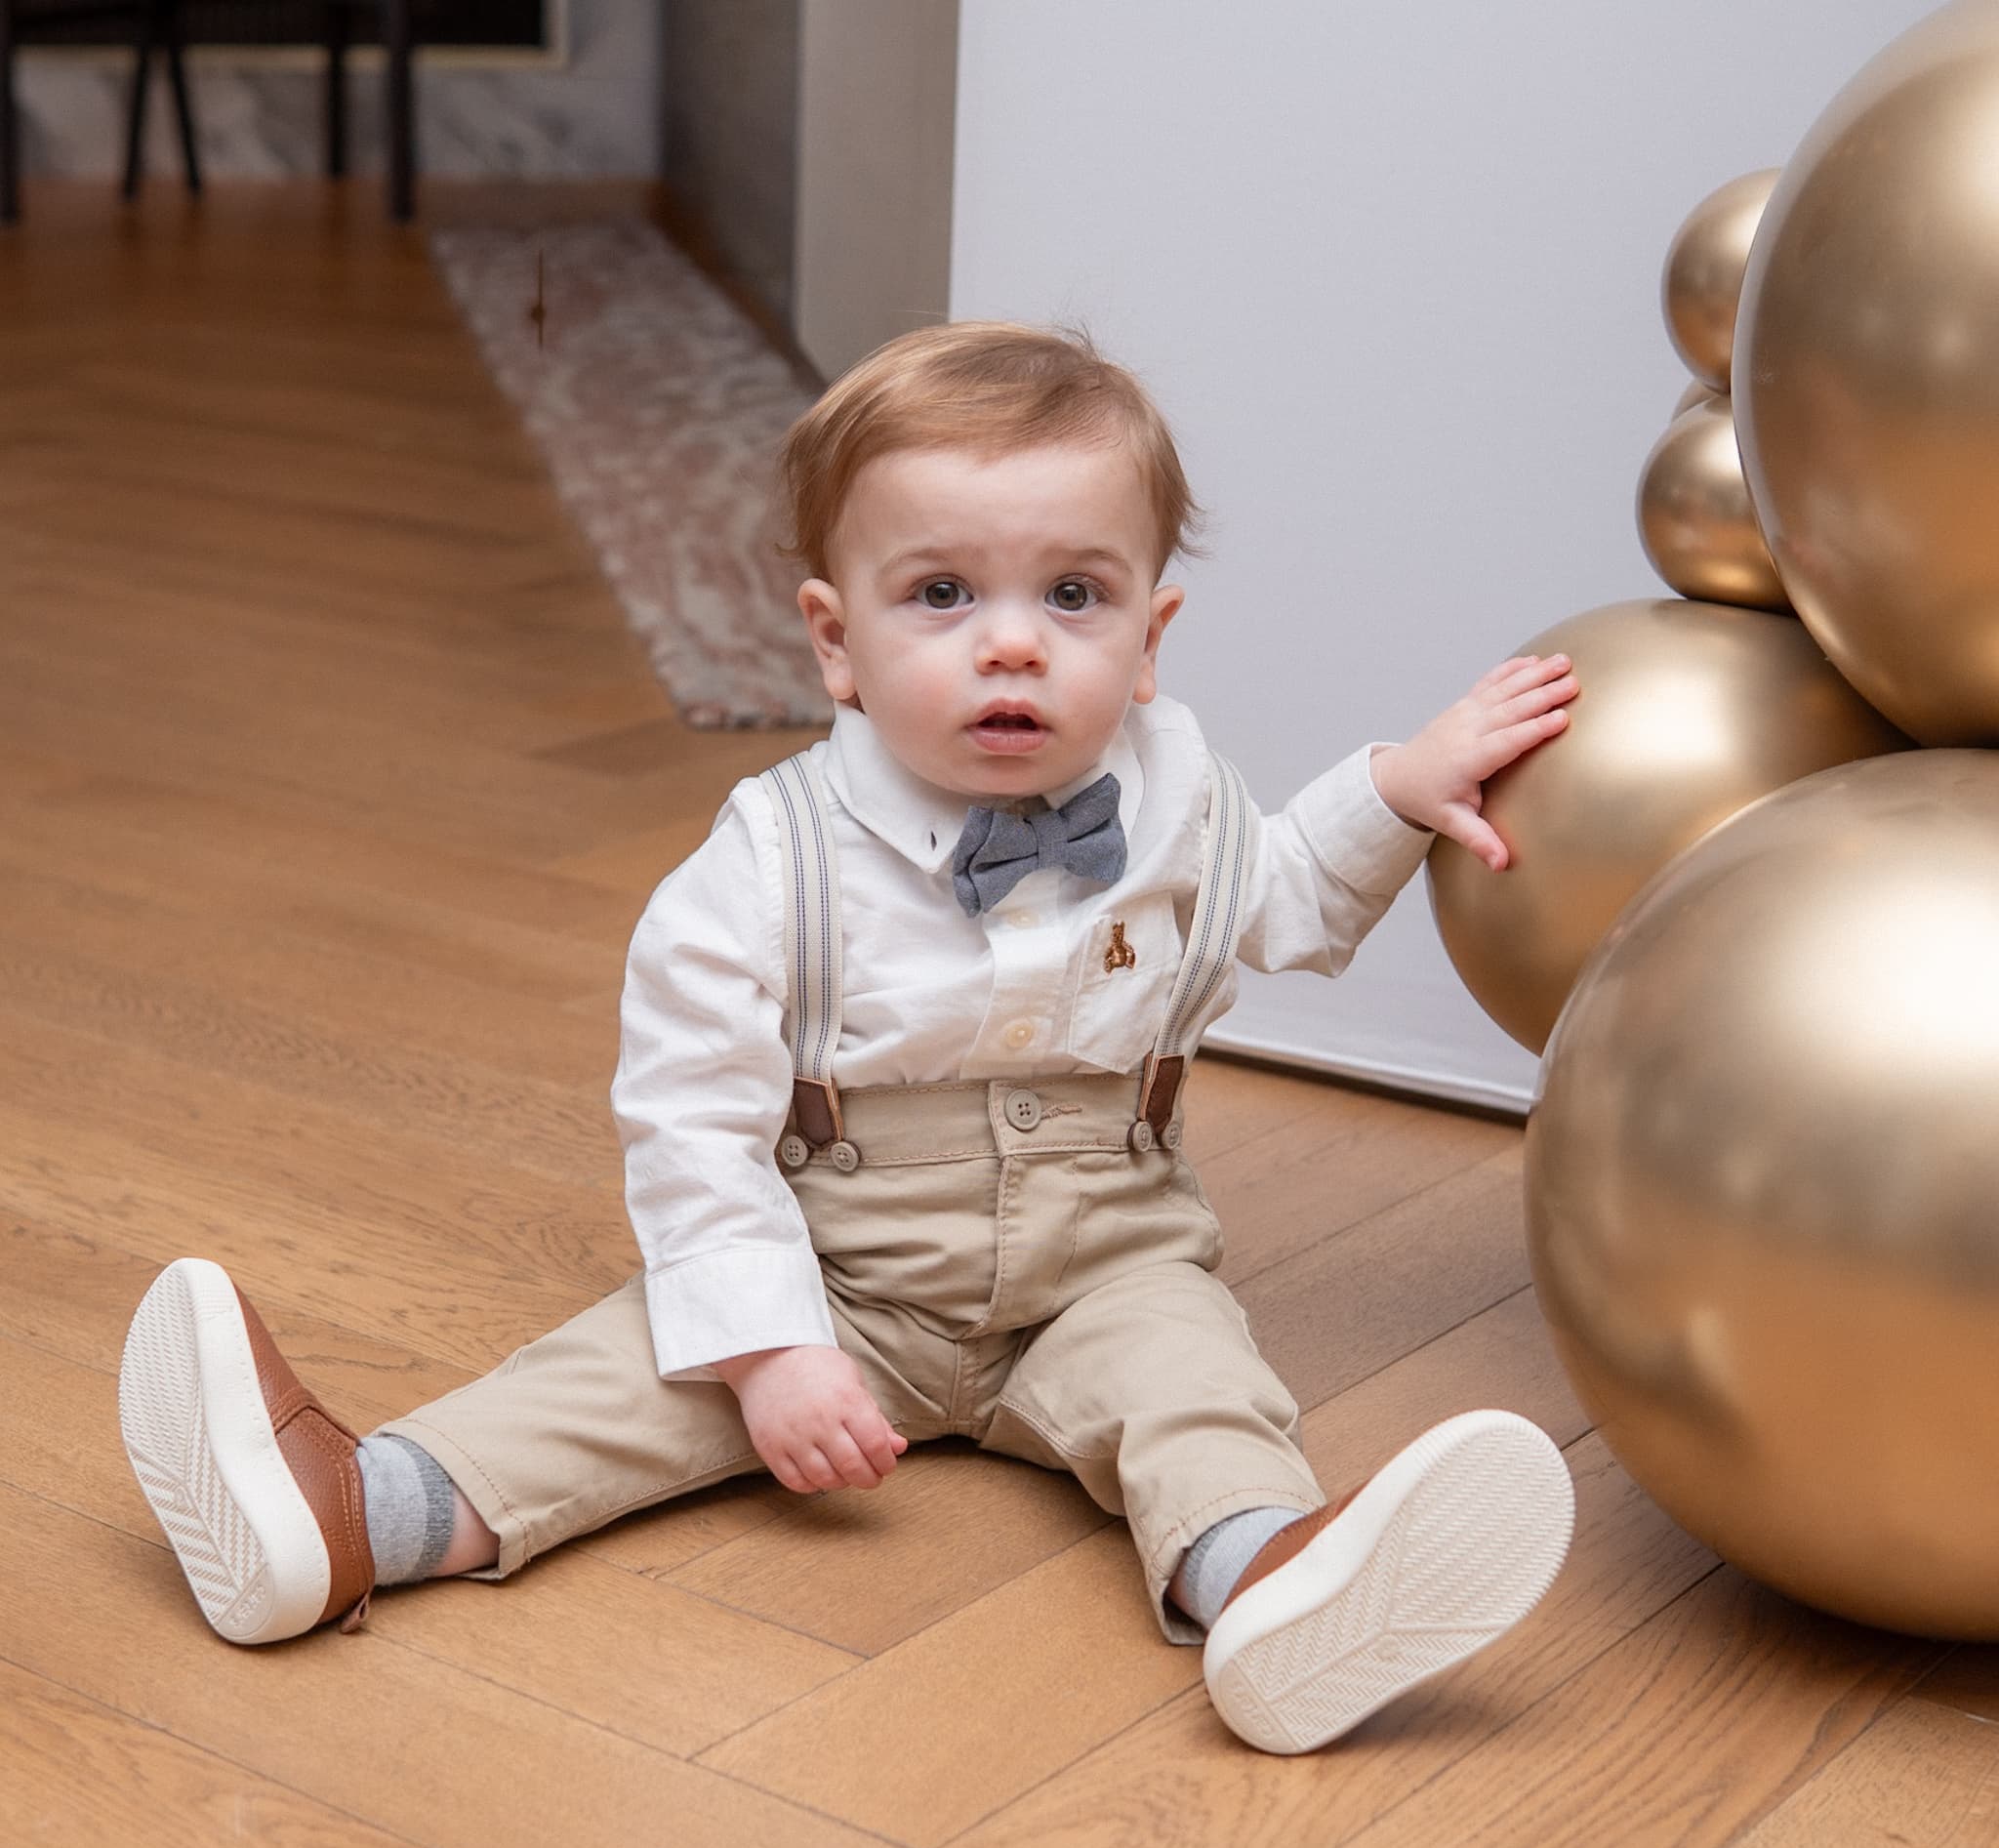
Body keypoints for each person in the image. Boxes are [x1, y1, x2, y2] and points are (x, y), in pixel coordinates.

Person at [118, 321, 1580, 1756]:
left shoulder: (1184, 805)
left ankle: (1268, 1586)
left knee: (1198, 1391)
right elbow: (693, 1118)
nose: (1012, 642)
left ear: (1150, 638)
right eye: (941, 594)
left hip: (1106, 1268)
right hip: (835, 1277)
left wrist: (1399, 786)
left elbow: (1285, 898)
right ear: (838, 640)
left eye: (1075, 594)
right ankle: (355, 1520)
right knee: (612, 1385)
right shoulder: (770, 863)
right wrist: (765, 1351)